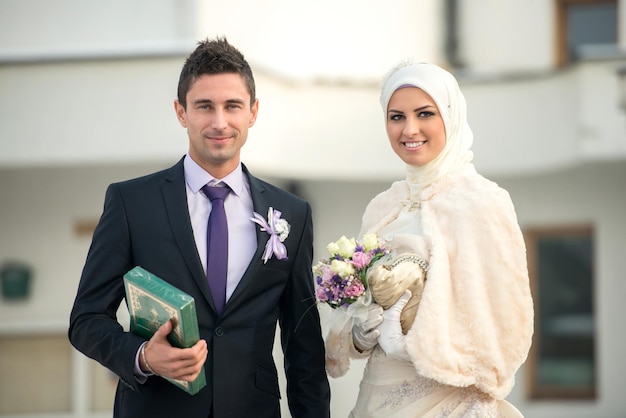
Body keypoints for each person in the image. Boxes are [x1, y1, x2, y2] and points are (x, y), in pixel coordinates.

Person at [68, 37, 331, 418]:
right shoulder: (131, 203)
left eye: (233, 106)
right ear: (181, 112)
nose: (219, 122)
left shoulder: (292, 213)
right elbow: (86, 320)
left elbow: (303, 346)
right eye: (204, 106)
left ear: (253, 112)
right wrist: (143, 357)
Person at [324, 60, 534, 417]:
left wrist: (411, 346)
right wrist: (361, 333)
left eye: (424, 114)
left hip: (447, 401)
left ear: (449, 117)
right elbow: (359, 315)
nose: (410, 129)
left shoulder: (483, 201)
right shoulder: (383, 207)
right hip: (375, 396)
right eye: (396, 117)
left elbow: (505, 322)